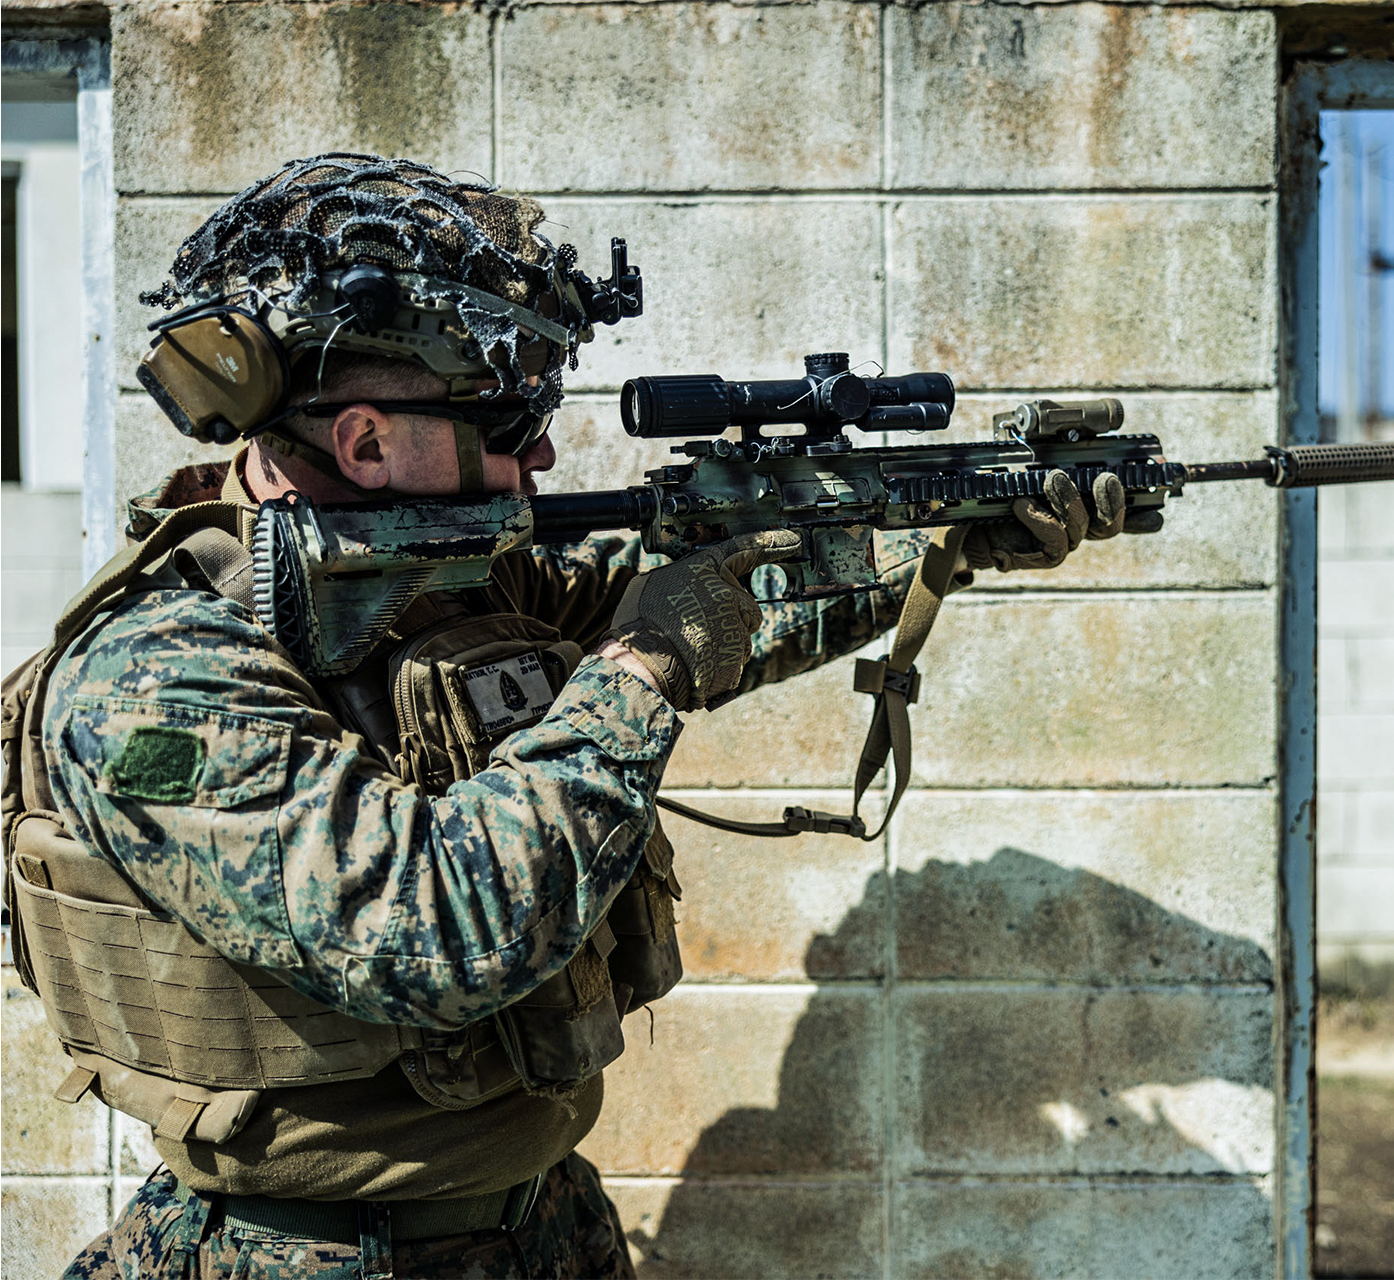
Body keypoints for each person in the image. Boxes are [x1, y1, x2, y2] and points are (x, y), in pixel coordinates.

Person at [1, 153, 1128, 1280]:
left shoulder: (450, 575)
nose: (542, 448)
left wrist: (949, 534)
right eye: (514, 414)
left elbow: (726, 599)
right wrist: (639, 671)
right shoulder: (155, 673)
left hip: (541, 1228)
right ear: (364, 442)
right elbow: (428, 924)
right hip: (297, 1256)